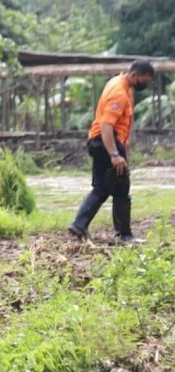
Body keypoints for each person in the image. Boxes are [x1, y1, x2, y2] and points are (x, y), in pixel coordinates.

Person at [68, 60, 154, 242]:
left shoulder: (119, 83)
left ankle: (89, 226)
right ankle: (89, 226)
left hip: (106, 141)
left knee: (118, 187)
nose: (144, 85)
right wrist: (114, 154)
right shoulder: (119, 93)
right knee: (106, 188)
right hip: (105, 142)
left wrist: (125, 142)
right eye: (144, 80)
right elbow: (106, 126)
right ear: (134, 75)